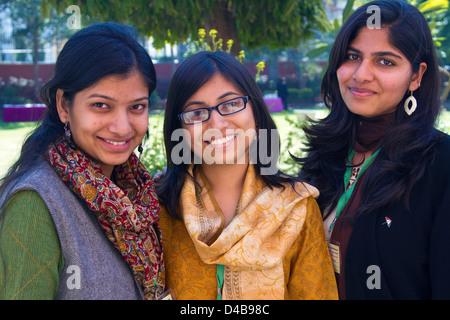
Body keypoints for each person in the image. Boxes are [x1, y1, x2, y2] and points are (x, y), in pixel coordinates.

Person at [297, 0, 450, 299]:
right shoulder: (324, 156)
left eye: (385, 61)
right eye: (353, 56)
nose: (361, 74)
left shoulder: (441, 166)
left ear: (416, 76)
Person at [0, 22, 164, 300]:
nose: (122, 128)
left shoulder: (137, 194)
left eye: (137, 106)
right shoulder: (35, 204)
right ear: (64, 105)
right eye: (101, 105)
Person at [156, 51, 337, 300]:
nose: (217, 124)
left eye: (230, 104)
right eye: (196, 113)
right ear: (180, 128)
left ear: (255, 110)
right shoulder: (158, 208)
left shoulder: (296, 208)